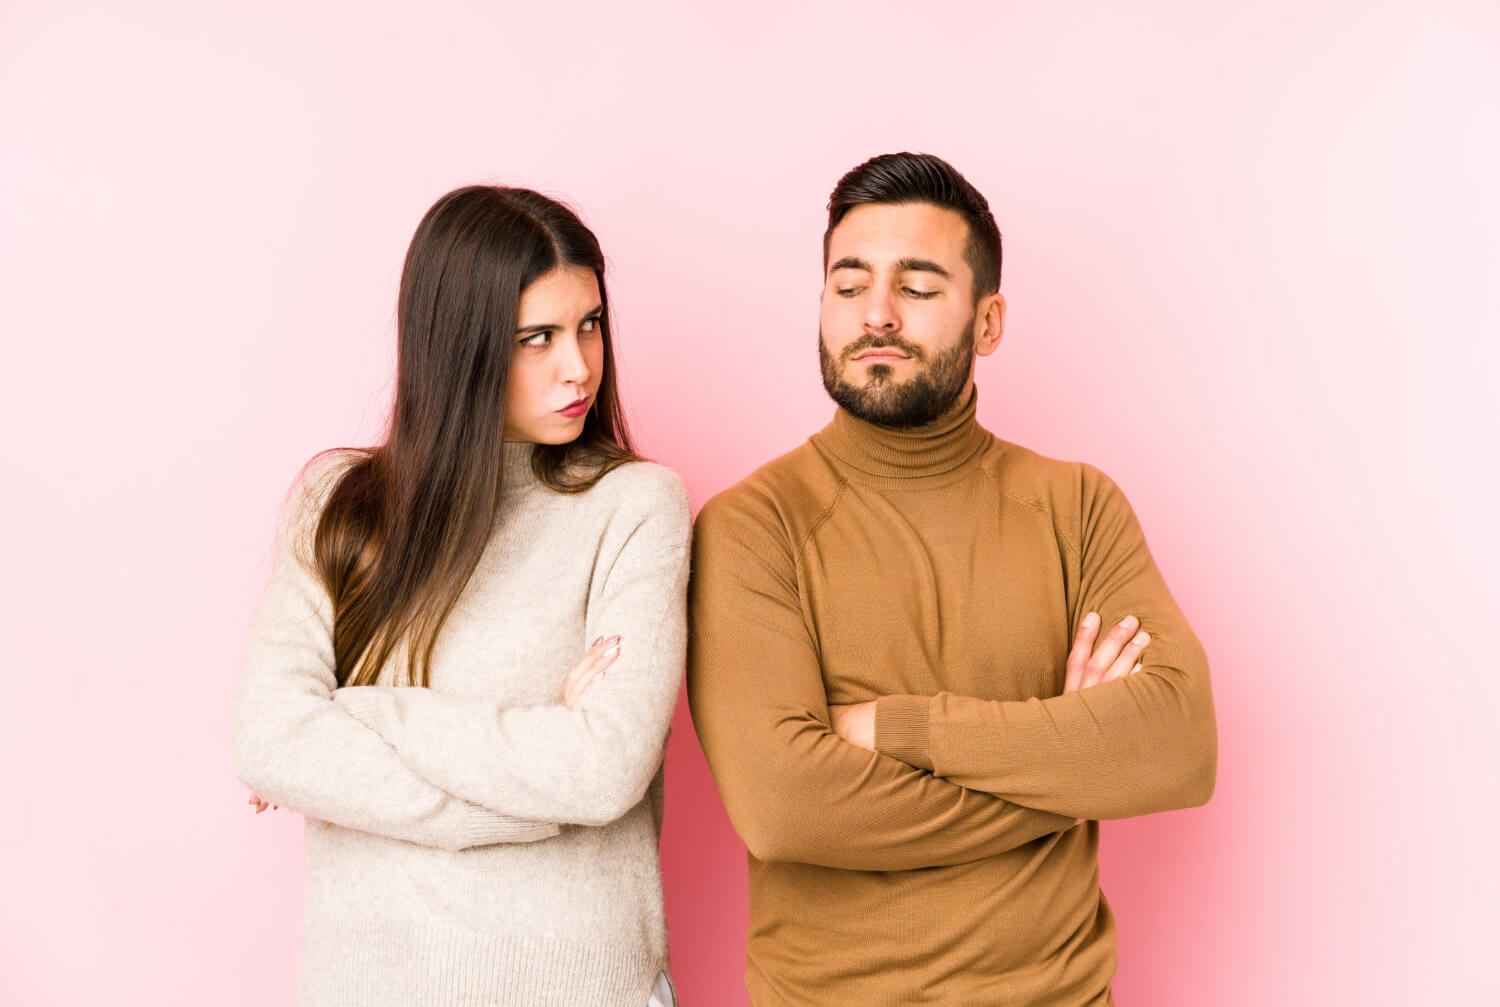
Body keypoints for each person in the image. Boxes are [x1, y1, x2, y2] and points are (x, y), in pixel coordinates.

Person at [687, 152, 1217, 1004]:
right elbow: (787, 807)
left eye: (920, 287)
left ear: (989, 320)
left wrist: (900, 729)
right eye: (849, 284)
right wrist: (1072, 769)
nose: (878, 315)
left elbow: (1178, 745)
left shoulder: (1077, 506)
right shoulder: (754, 525)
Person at [233, 185, 688, 1007]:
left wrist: (362, 711)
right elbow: (269, 742)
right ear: (460, 346)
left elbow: (603, 769)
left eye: (589, 324)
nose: (578, 364)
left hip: (578, 988)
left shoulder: (636, 506)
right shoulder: (339, 504)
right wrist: (540, 765)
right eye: (536, 338)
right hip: (366, 985)